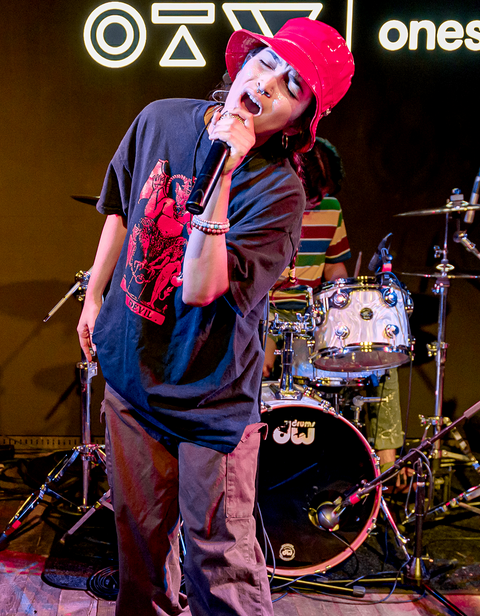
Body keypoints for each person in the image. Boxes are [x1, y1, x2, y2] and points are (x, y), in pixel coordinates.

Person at [76, 18, 354, 615]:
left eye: (292, 86)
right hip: (131, 377)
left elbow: (202, 288)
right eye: (267, 62)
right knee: (139, 552)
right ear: (244, 61)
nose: (268, 83)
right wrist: (93, 295)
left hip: (208, 398)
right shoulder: (160, 118)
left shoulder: (280, 193)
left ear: (299, 121)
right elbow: (121, 207)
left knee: (219, 563)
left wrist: (224, 169)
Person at [263, 137, 405, 474]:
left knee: (382, 356)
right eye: (313, 193)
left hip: (309, 315)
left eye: (324, 193)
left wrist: (346, 303)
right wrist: (264, 331)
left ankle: (386, 469)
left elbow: (334, 268)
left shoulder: (331, 208)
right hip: (263, 311)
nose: (318, 201)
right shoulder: (268, 202)